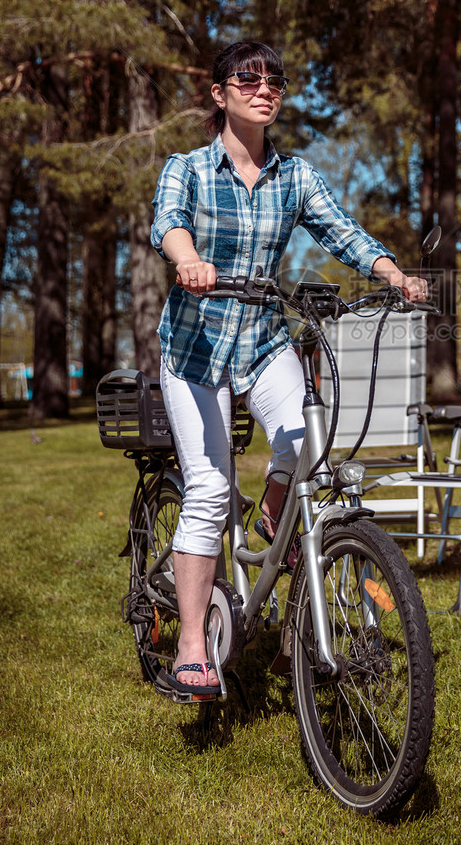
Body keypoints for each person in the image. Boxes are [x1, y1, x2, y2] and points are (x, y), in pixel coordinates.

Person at [150, 40, 428, 697]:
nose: (264, 87)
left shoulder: (296, 177)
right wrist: (187, 259)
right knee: (211, 490)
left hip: (263, 340)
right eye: (248, 78)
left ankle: (275, 528)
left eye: (275, 78)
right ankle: (193, 644)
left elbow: (343, 231)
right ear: (220, 94)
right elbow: (169, 222)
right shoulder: (187, 168)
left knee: (313, 451)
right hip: (194, 349)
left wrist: (394, 273)